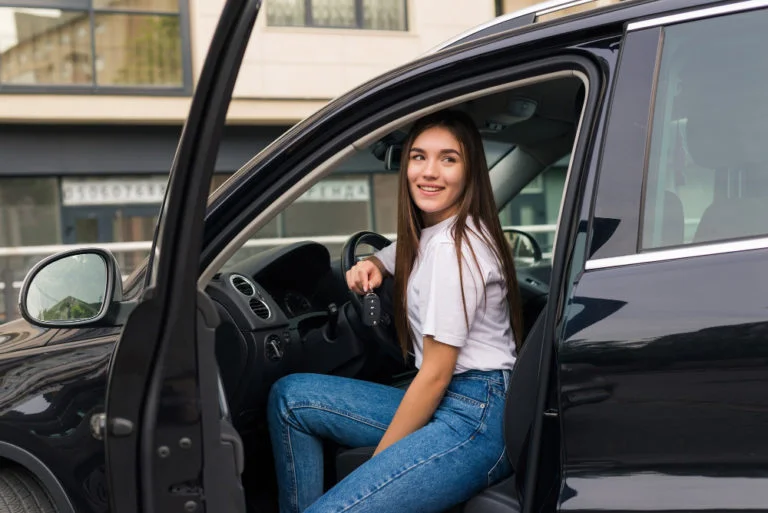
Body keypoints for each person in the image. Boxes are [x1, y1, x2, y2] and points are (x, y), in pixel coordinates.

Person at [267, 109, 524, 513]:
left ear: (470, 170)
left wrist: (376, 472)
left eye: (448, 159)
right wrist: (376, 264)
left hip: (473, 418)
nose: (429, 171)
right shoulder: (441, 232)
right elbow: (406, 248)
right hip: (466, 399)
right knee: (291, 398)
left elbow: (436, 374)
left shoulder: (453, 251)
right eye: (419, 156)